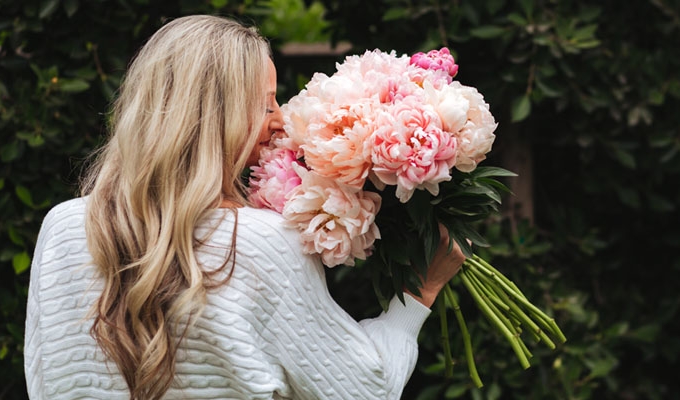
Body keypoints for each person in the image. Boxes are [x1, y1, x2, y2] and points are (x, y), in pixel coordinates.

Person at [24, 15, 465, 400]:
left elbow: (42, 381)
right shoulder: (263, 242)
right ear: (213, 117)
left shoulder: (61, 229)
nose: (278, 120)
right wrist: (418, 294)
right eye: (264, 103)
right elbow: (365, 391)